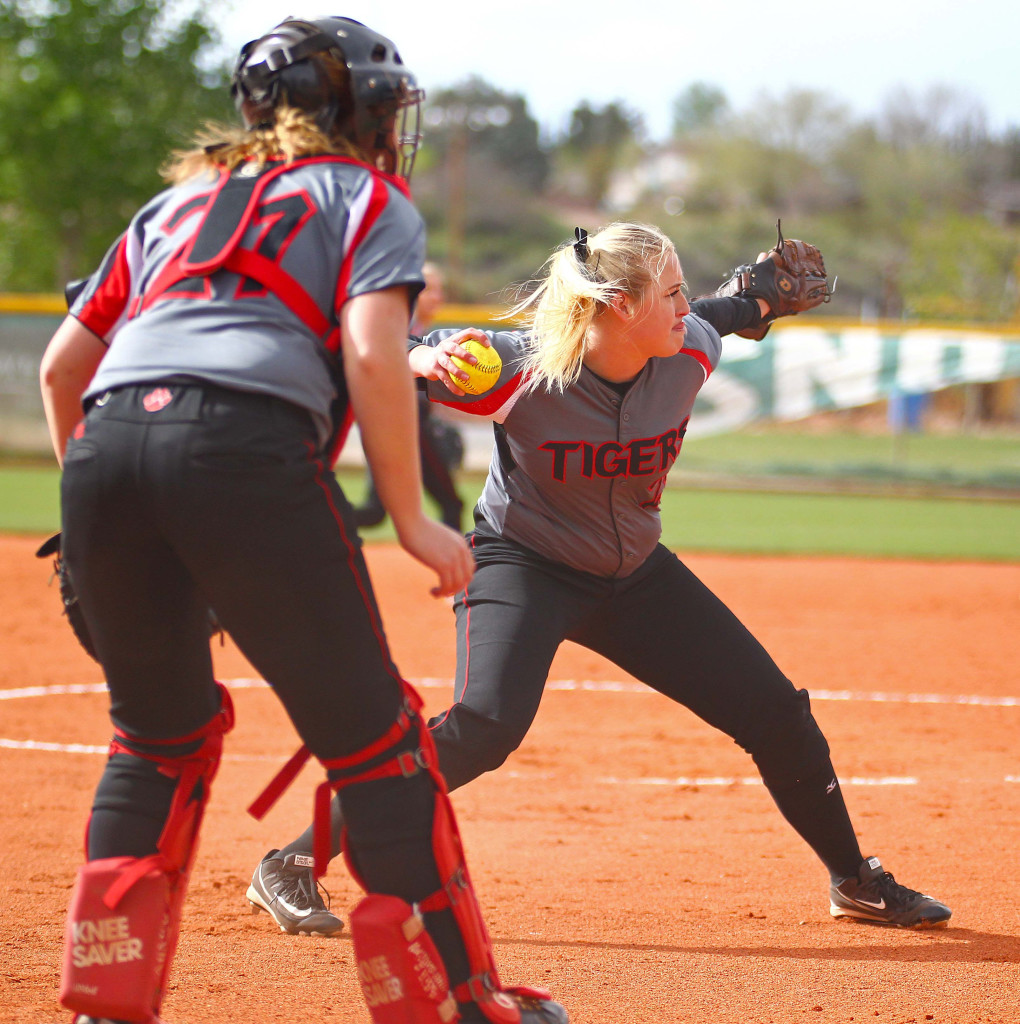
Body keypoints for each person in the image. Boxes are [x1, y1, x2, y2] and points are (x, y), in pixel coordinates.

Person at [39, 15, 567, 1024]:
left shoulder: (174, 204)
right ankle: (449, 1000)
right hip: (246, 454)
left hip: (105, 456)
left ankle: (106, 1002)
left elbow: (69, 368)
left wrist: (96, 520)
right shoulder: (368, 195)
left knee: (156, 736)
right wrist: (412, 518)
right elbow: (375, 354)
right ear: (356, 108)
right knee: (376, 745)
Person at [251, 222, 952, 938]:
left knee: (776, 713)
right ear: (620, 305)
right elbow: (358, 353)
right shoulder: (516, 368)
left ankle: (855, 882)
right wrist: (424, 358)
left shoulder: (690, 350)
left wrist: (760, 300)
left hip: (634, 575)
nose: (687, 306)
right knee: (483, 727)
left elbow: (723, 312)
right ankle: (292, 861)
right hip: (524, 561)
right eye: (672, 292)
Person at [354, 261, 466, 531]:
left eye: (440, 290)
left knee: (374, 512)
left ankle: (315, 517)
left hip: (394, 423)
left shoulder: (418, 327)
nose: (437, 297)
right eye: (429, 290)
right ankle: (463, 572)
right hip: (405, 425)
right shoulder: (402, 325)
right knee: (452, 505)